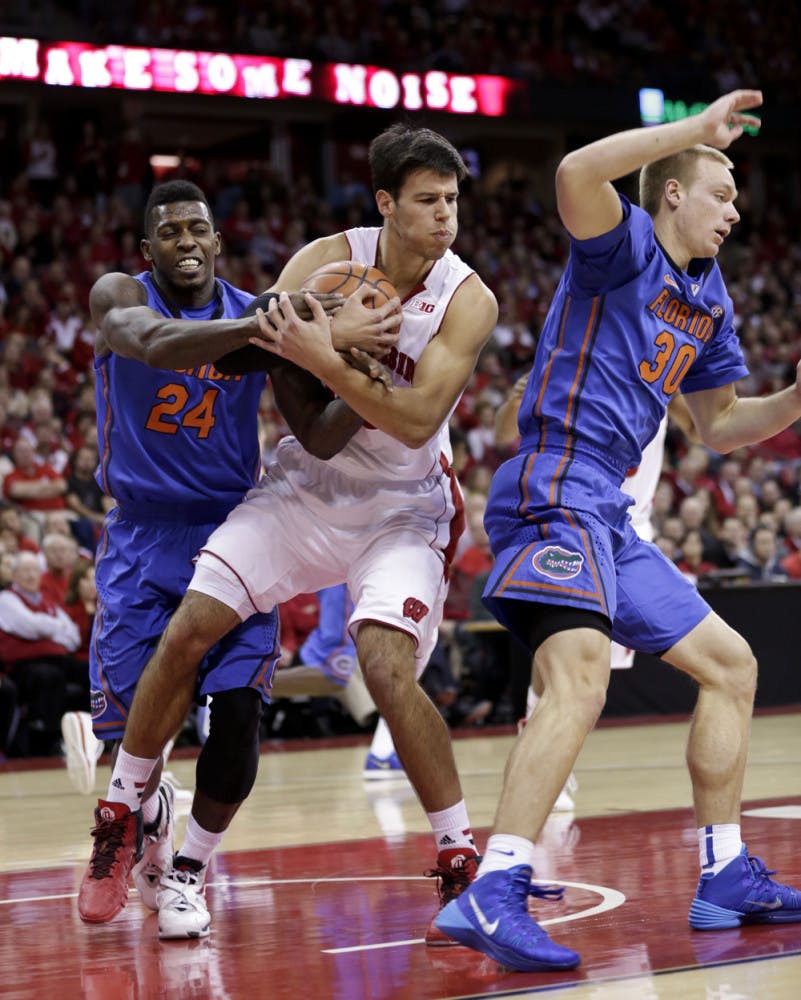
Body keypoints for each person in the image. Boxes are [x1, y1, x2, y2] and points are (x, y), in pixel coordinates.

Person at [80, 125, 498, 946]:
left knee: (382, 666)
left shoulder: (468, 297)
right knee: (191, 625)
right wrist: (330, 343)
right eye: (427, 200)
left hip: (404, 505)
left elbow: (414, 419)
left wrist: (334, 354)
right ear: (385, 203)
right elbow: (311, 430)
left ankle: (456, 854)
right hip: (302, 487)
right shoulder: (319, 262)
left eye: (452, 200)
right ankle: (121, 811)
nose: (446, 216)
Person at [435, 90, 801, 971]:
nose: (735, 209)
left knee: (731, 665)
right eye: (721, 192)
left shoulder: (708, 299)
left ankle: (721, 873)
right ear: (672, 194)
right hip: (554, 480)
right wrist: (692, 133)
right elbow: (571, 171)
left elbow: (714, 425)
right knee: (580, 680)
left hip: (609, 513)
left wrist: (793, 401)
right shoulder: (621, 243)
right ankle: (497, 887)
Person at [75, 179, 390, 938]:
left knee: (240, 714)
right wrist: (277, 330)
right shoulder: (121, 294)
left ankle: (189, 870)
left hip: (233, 532)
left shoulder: (261, 315)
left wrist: (385, 381)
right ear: (149, 250)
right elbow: (152, 343)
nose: (186, 241)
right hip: (141, 534)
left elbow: (315, 434)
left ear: (219, 242)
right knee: (130, 736)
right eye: (170, 232)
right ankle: (138, 813)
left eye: (199, 229)